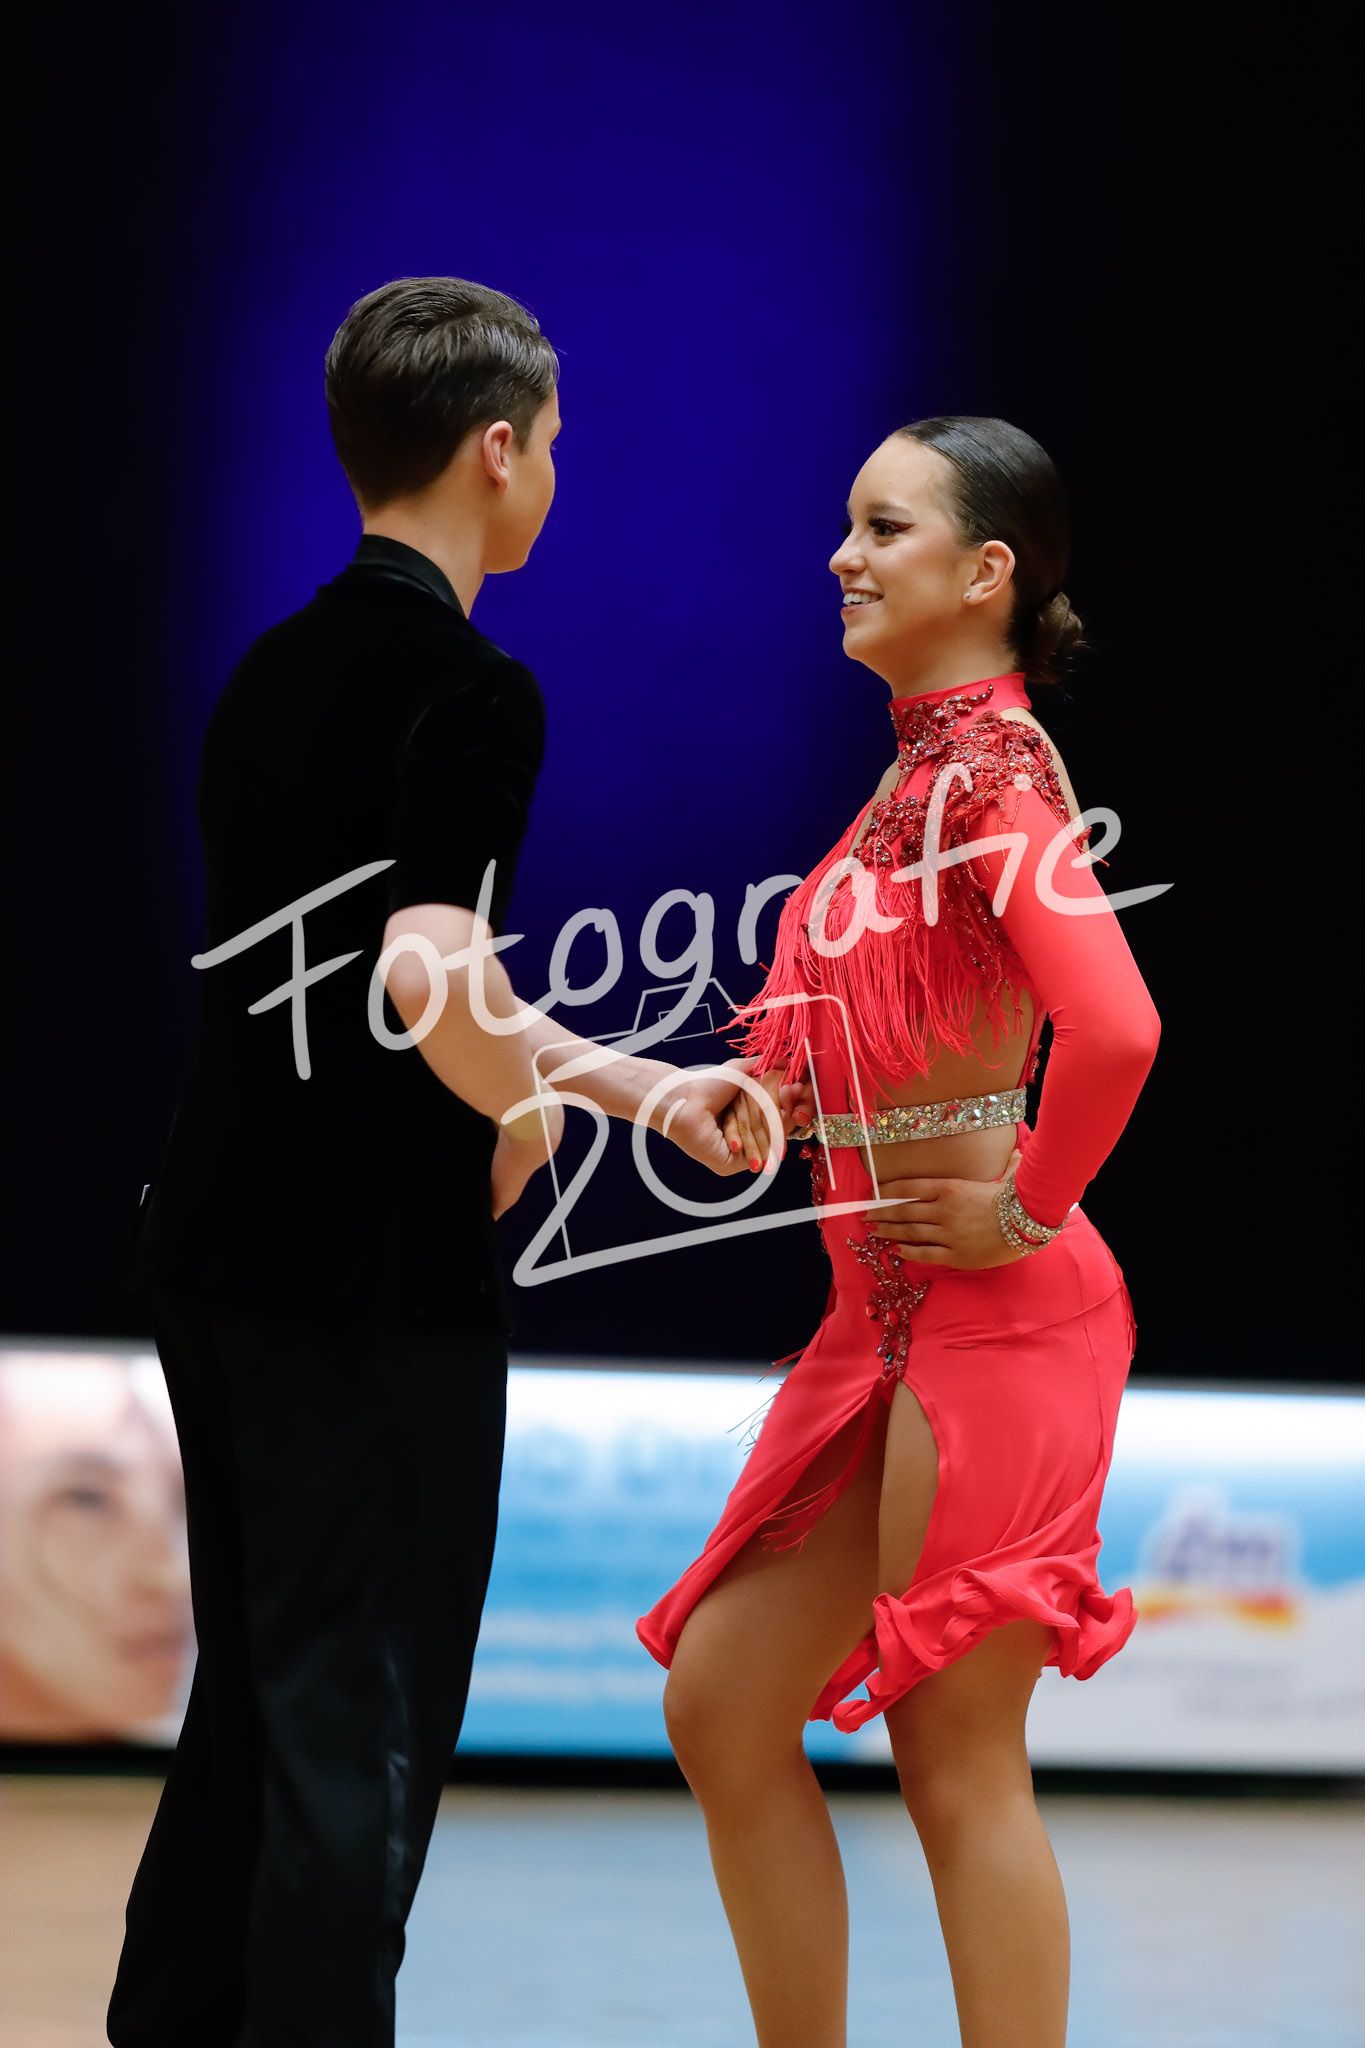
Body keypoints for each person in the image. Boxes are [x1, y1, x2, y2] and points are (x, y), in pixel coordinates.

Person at [109, 275, 771, 2048]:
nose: (553, 471)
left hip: (212, 1250)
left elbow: (361, 984)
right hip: (364, 1283)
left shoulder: (267, 673)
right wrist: (517, 1110)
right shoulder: (473, 689)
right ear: (495, 449)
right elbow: (428, 972)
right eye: (550, 443)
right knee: (362, 1721)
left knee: (261, 1697)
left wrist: (637, 1093)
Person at [637, 416, 1162, 2048]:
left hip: (999, 1324)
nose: (841, 558)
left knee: (955, 1753)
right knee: (725, 1705)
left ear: (985, 570)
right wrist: (762, 1097)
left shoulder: (990, 772)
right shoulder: (919, 774)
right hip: (877, 1325)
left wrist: (1027, 1204)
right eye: (848, 528)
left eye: (882, 528)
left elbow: (1116, 1029)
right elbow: (882, 1034)